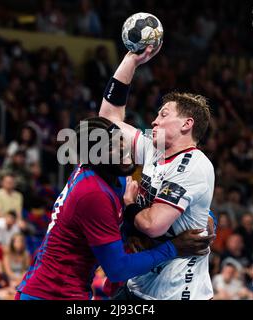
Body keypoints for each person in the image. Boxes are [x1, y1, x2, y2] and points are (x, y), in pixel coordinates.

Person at [16, 117, 213, 300]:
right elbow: (118, 268)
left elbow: (156, 204)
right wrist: (174, 248)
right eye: (110, 146)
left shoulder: (112, 176)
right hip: (50, 293)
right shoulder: (93, 192)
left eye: (120, 139)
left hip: (67, 289)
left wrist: (203, 215)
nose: (122, 148)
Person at [99, 45, 216, 300]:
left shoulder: (194, 165)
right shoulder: (154, 148)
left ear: (187, 124)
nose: (154, 121)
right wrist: (130, 61)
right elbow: (108, 119)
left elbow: (153, 225)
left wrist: (129, 206)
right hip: (139, 285)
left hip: (176, 294)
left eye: (163, 115)